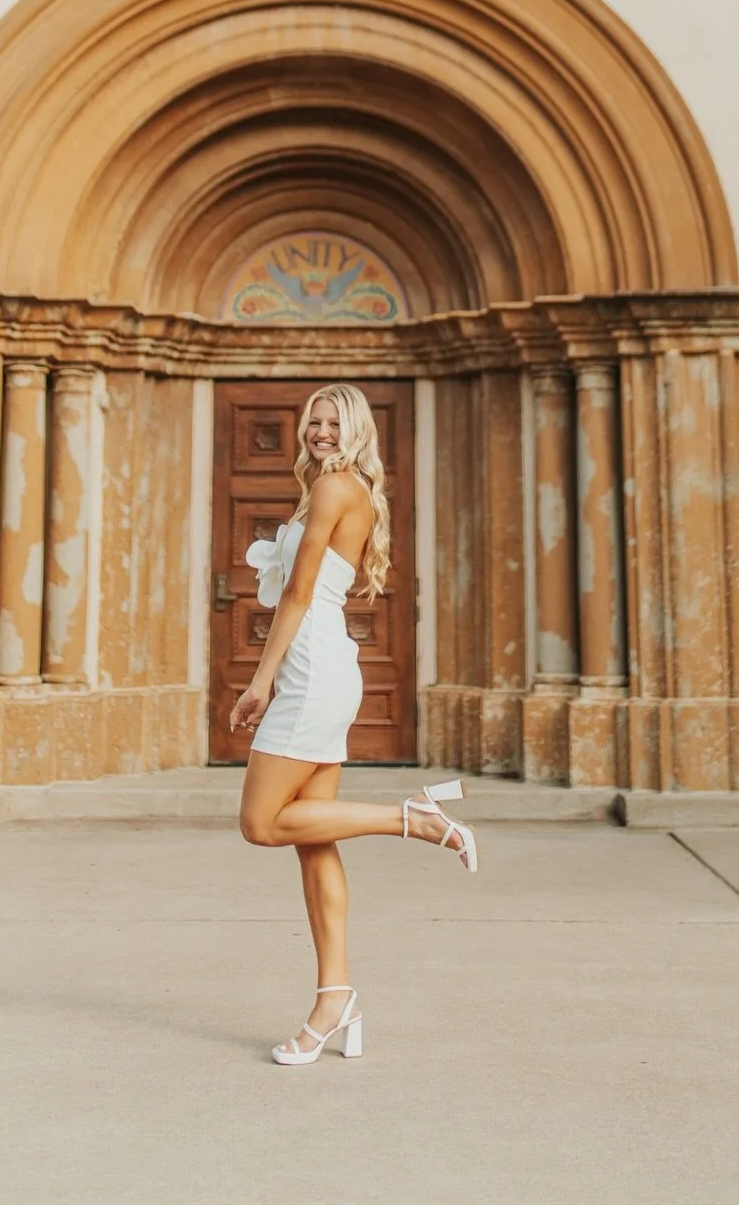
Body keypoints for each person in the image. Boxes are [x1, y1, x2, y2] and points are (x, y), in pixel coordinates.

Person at [232, 381, 478, 1066]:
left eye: (334, 422)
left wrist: (261, 680)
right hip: (326, 667)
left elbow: (301, 593)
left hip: (311, 673)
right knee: (313, 841)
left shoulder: (338, 490)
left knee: (259, 823)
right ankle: (334, 1001)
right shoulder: (335, 491)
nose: (320, 432)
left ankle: (416, 819)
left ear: (356, 431)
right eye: (314, 420)